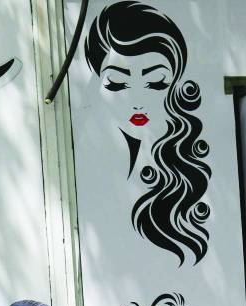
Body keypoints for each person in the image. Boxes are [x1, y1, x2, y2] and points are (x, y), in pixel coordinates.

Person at [84, 0, 211, 265]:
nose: (138, 100)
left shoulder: (185, 162)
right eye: (118, 83)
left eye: (155, 82)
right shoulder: (95, 162)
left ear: (175, 84)